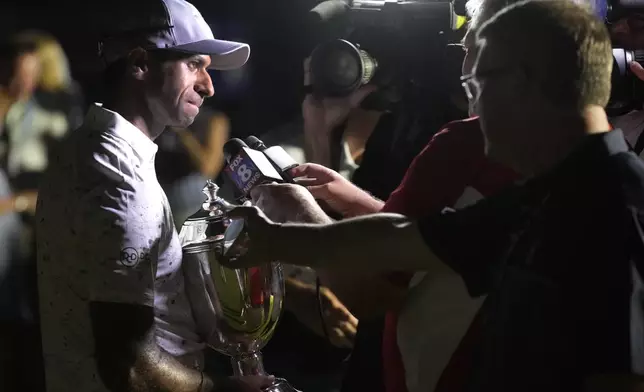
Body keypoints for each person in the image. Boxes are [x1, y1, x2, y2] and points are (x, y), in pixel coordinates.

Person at [224, 1, 644, 390]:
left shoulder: (615, 213)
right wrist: (276, 237)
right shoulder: (546, 193)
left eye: (476, 81)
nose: (469, 100)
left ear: (521, 81)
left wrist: (292, 216)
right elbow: (411, 238)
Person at [35, 1, 273, 391]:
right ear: (140, 63)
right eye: (195, 64)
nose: (208, 86)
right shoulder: (119, 176)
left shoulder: (89, 148)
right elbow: (130, 366)